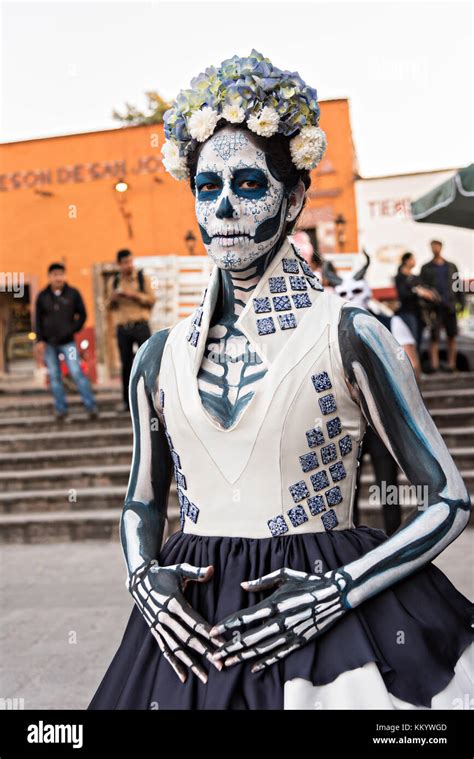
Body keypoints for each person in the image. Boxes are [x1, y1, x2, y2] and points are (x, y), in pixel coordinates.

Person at [88, 50, 472, 710]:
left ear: (293, 198)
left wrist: (343, 589)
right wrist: (144, 577)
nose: (226, 206)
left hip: (328, 619)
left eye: (247, 183)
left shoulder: (351, 333)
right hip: (190, 631)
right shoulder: (157, 357)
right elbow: (143, 499)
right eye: (208, 188)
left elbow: (449, 497)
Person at [35, 262, 97, 420]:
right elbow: (37, 320)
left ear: (64, 275)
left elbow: (82, 315)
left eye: (61, 274)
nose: (58, 277)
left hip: (68, 343)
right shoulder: (43, 297)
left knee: (76, 372)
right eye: (55, 274)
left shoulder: (73, 294)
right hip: (49, 344)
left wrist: (72, 329)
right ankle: (61, 409)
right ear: (49, 277)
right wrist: (40, 340)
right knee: (55, 376)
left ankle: (91, 406)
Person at [106, 249, 155, 410]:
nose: (129, 265)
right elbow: (107, 306)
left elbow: (152, 300)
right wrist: (113, 299)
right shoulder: (113, 282)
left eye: (130, 261)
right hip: (123, 329)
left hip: (141, 326)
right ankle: (127, 402)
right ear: (119, 264)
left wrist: (133, 295)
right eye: (125, 262)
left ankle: (151, 400)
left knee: (147, 362)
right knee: (126, 365)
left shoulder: (142, 278)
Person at [420, 240, 465, 373]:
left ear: (441, 247)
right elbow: (423, 287)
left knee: (451, 335)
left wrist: (461, 303)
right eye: (432, 247)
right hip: (434, 307)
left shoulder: (451, 266)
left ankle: (451, 365)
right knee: (434, 337)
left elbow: (458, 284)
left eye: (436, 246)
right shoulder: (426, 267)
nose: (435, 249)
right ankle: (434, 366)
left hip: (450, 305)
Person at [393, 251, 438, 379]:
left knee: (417, 342)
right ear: (406, 260)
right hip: (407, 314)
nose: (414, 262)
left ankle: (416, 370)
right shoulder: (400, 277)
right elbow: (403, 294)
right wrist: (418, 291)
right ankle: (409, 371)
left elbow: (425, 290)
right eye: (412, 259)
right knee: (409, 343)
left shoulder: (416, 278)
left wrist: (428, 293)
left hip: (419, 314)